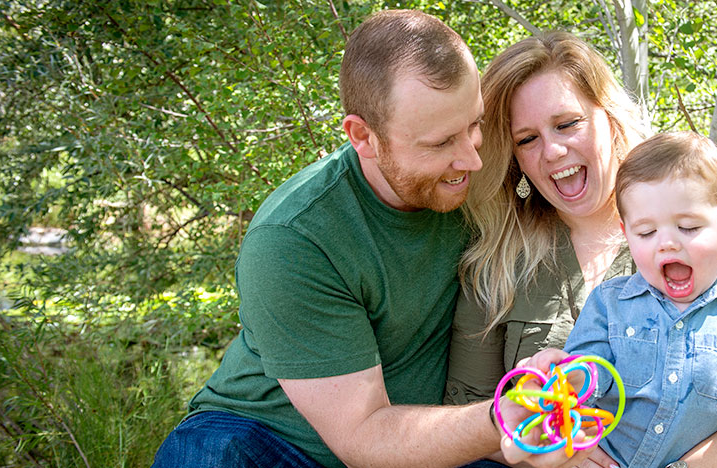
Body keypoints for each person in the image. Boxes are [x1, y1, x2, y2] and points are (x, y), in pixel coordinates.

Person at [150, 10, 531, 468]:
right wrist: (508, 421)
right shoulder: (295, 238)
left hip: (425, 440)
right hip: (271, 441)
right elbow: (363, 435)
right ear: (363, 136)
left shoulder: (478, 175)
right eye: (439, 143)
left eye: (475, 124)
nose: (470, 159)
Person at [443, 31, 717, 467]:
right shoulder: (496, 264)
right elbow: (470, 414)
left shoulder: (700, 233)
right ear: (514, 157)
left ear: (608, 118)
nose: (553, 150)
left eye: (567, 123)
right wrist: (556, 453)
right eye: (527, 139)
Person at [499, 132, 717, 468]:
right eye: (646, 232)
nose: (667, 243)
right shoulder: (610, 304)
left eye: (688, 227)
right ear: (626, 233)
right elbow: (590, 370)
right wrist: (569, 374)